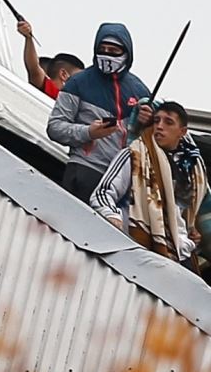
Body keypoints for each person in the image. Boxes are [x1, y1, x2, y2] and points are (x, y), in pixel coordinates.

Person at [90, 103, 210, 267]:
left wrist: (192, 233)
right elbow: (102, 193)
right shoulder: (134, 155)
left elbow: (185, 215)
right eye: (156, 120)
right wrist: (112, 216)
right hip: (135, 247)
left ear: (182, 132)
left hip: (178, 255)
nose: (160, 126)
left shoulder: (192, 170)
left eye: (168, 122)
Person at [48, 23, 154, 201]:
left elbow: (149, 141)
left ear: (127, 53)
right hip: (84, 169)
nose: (107, 55)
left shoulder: (140, 90)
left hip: (121, 181)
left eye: (113, 51)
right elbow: (54, 127)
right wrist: (88, 132)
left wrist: (147, 121)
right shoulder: (77, 83)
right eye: (102, 49)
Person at [17, 19, 84, 100]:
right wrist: (28, 38)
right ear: (63, 74)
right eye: (79, 78)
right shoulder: (51, 92)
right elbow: (33, 68)